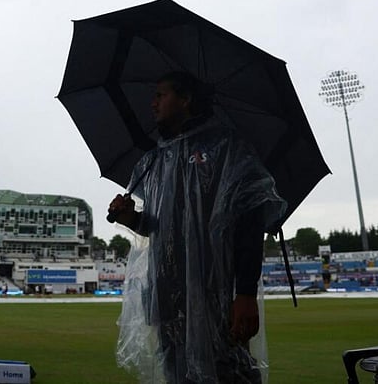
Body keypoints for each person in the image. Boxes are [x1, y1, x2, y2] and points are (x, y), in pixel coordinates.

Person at [109, 72, 286, 384]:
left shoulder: (227, 149)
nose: (153, 103)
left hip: (215, 293)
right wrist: (131, 219)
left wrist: (244, 293)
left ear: (186, 99)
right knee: (177, 374)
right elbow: (161, 228)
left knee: (229, 373)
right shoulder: (157, 159)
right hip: (167, 299)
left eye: (161, 95)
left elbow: (249, 222)